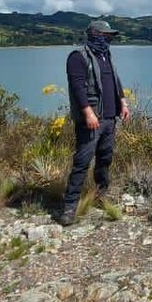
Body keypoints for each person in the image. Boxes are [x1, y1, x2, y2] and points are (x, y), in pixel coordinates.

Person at [57, 20, 131, 226]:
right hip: (92, 120)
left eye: (110, 36)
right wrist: (88, 113)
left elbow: (115, 81)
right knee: (82, 163)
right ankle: (70, 207)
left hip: (109, 118)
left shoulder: (105, 55)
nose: (109, 39)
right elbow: (77, 87)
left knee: (105, 159)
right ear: (95, 34)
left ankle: (101, 194)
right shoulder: (78, 57)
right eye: (106, 35)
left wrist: (123, 103)